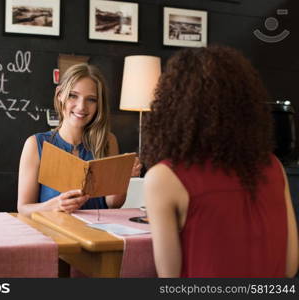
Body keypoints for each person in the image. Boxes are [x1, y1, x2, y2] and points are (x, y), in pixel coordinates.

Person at [142, 45, 299, 278]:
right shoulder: (274, 167)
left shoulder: (164, 177)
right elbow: (289, 267)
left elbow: (169, 278)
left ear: (173, 106)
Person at [18, 63, 141, 216]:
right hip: (55, 234)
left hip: (96, 235)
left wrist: (123, 177)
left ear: (99, 104)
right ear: (60, 95)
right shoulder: (36, 145)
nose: (81, 106)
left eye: (91, 99)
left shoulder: (108, 142)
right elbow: (23, 209)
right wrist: (55, 205)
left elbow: (113, 204)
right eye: (73, 95)